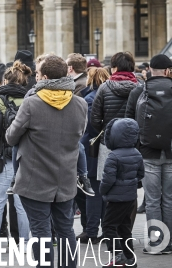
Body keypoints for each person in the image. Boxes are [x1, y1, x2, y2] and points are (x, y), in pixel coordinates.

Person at [6, 55, 88, 267]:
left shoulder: (32, 103)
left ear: (43, 76)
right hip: (66, 178)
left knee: (40, 230)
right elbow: (78, 136)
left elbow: (11, 137)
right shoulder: (80, 104)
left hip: (35, 179)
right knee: (66, 229)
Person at [0, 61, 31, 251]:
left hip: (3, 157)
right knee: (21, 204)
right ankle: (26, 243)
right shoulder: (30, 99)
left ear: (4, 80)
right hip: (25, 157)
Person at [125, 54, 172, 254]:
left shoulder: (138, 91)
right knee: (169, 198)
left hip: (148, 152)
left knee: (152, 200)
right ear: (168, 71)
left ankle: (156, 243)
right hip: (171, 152)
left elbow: (128, 122)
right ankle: (169, 243)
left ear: (149, 70)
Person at [100, 118, 144, 267]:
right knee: (124, 228)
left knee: (108, 226)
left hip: (116, 199)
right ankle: (130, 258)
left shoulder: (113, 156)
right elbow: (141, 175)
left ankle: (118, 255)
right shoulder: (137, 153)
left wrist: (102, 191)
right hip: (130, 197)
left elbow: (108, 179)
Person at [90, 52, 139, 182]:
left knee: (107, 182)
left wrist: (105, 130)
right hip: (133, 143)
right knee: (130, 183)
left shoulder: (104, 87)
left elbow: (94, 117)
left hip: (108, 142)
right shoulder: (140, 87)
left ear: (115, 68)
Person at [77, 67, 110, 244]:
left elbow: (89, 128)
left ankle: (91, 230)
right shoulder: (109, 95)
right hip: (107, 147)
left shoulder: (89, 98)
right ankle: (106, 228)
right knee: (104, 191)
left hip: (92, 150)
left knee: (93, 192)